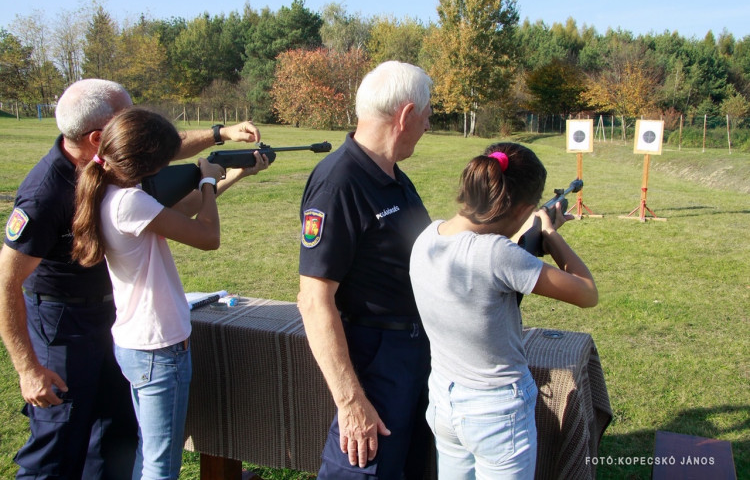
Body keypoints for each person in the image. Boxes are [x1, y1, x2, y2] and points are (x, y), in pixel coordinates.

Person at [0, 78, 266, 480]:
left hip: (117, 320)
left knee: (115, 440)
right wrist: (27, 368)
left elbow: (164, 163)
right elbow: (6, 281)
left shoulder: (113, 173)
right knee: (57, 444)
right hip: (63, 325)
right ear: (98, 138)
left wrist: (222, 143)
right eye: (127, 120)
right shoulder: (45, 194)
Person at [409, 142, 598, 479]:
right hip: (497, 413)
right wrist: (551, 234)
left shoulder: (426, 237)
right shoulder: (499, 255)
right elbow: (586, 293)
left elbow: (481, 269)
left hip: (443, 400)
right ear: (523, 208)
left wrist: (528, 237)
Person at [69, 106, 226, 479]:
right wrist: (206, 182)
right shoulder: (130, 202)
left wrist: (229, 176)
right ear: (151, 165)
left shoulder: (111, 192)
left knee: (150, 449)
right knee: (162, 462)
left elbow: (178, 215)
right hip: (159, 349)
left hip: (138, 345)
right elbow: (208, 237)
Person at [297, 61, 433, 480]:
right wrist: (351, 400)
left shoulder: (391, 175)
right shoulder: (339, 182)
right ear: (407, 115)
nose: (428, 126)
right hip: (375, 361)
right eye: (428, 116)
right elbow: (314, 299)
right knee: (362, 472)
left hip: (411, 353)